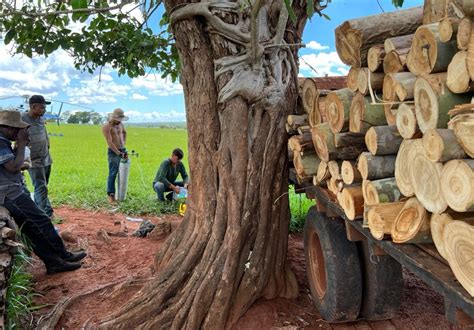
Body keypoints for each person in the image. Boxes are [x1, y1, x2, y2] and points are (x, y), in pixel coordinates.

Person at [0, 110, 86, 274]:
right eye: (16, 129)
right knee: (41, 221)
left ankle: (54, 261)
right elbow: (12, 167)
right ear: (7, 127)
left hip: (9, 191)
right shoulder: (0, 142)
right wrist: (22, 144)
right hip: (8, 194)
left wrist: (19, 146)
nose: (18, 132)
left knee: (32, 228)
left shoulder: (3, 141)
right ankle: (61, 255)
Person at [21, 95, 54, 218]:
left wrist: (48, 145)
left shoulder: (40, 119)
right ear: (33, 106)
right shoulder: (22, 119)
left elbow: (44, 133)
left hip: (46, 157)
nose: (44, 110)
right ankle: (44, 215)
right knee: (40, 186)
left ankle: (46, 210)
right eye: (42, 107)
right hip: (33, 160)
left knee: (43, 187)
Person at [102, 108, 128, 204]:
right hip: (113, 152)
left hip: (122, 150)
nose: (119, 122)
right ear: (113, 117)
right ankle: (111, 195)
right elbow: (109, 142)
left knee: (123, 172)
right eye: (118, 119)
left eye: (121, 119)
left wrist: (123, 143)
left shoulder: (120, 125)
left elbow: (125, 133)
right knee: (113, 172)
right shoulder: (107, 127)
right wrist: (118, 153)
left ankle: (121, 194)